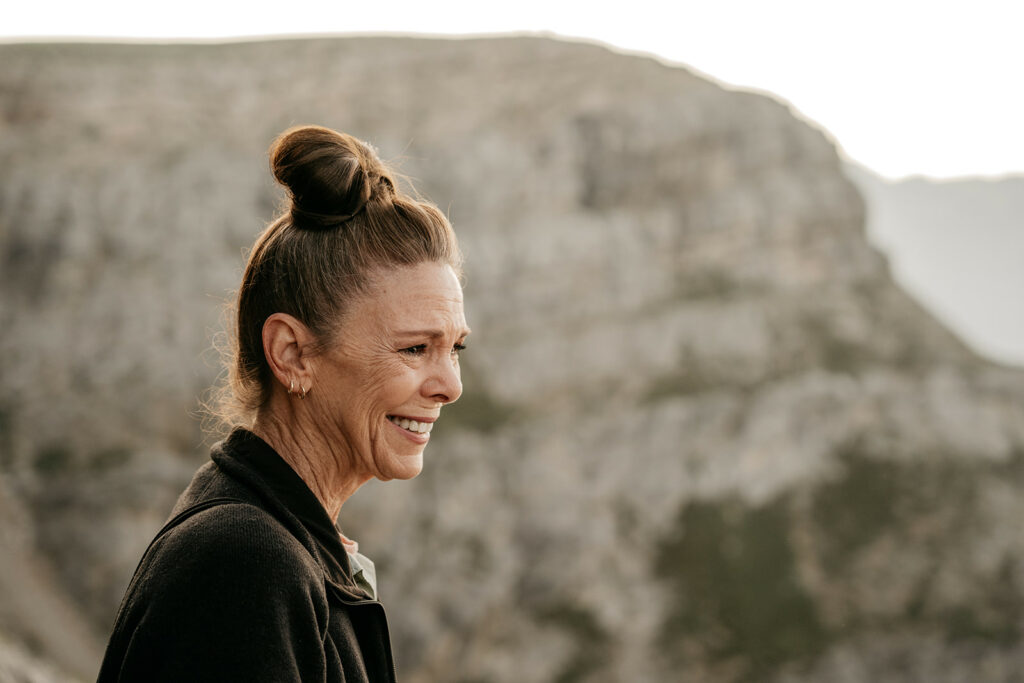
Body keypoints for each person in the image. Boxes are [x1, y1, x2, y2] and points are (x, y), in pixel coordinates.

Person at [96, 124, 468, 682]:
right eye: (415, 348)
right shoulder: (241, 565)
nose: (450, 385)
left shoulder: (278, 547)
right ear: (292, 354)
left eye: (454, 349)